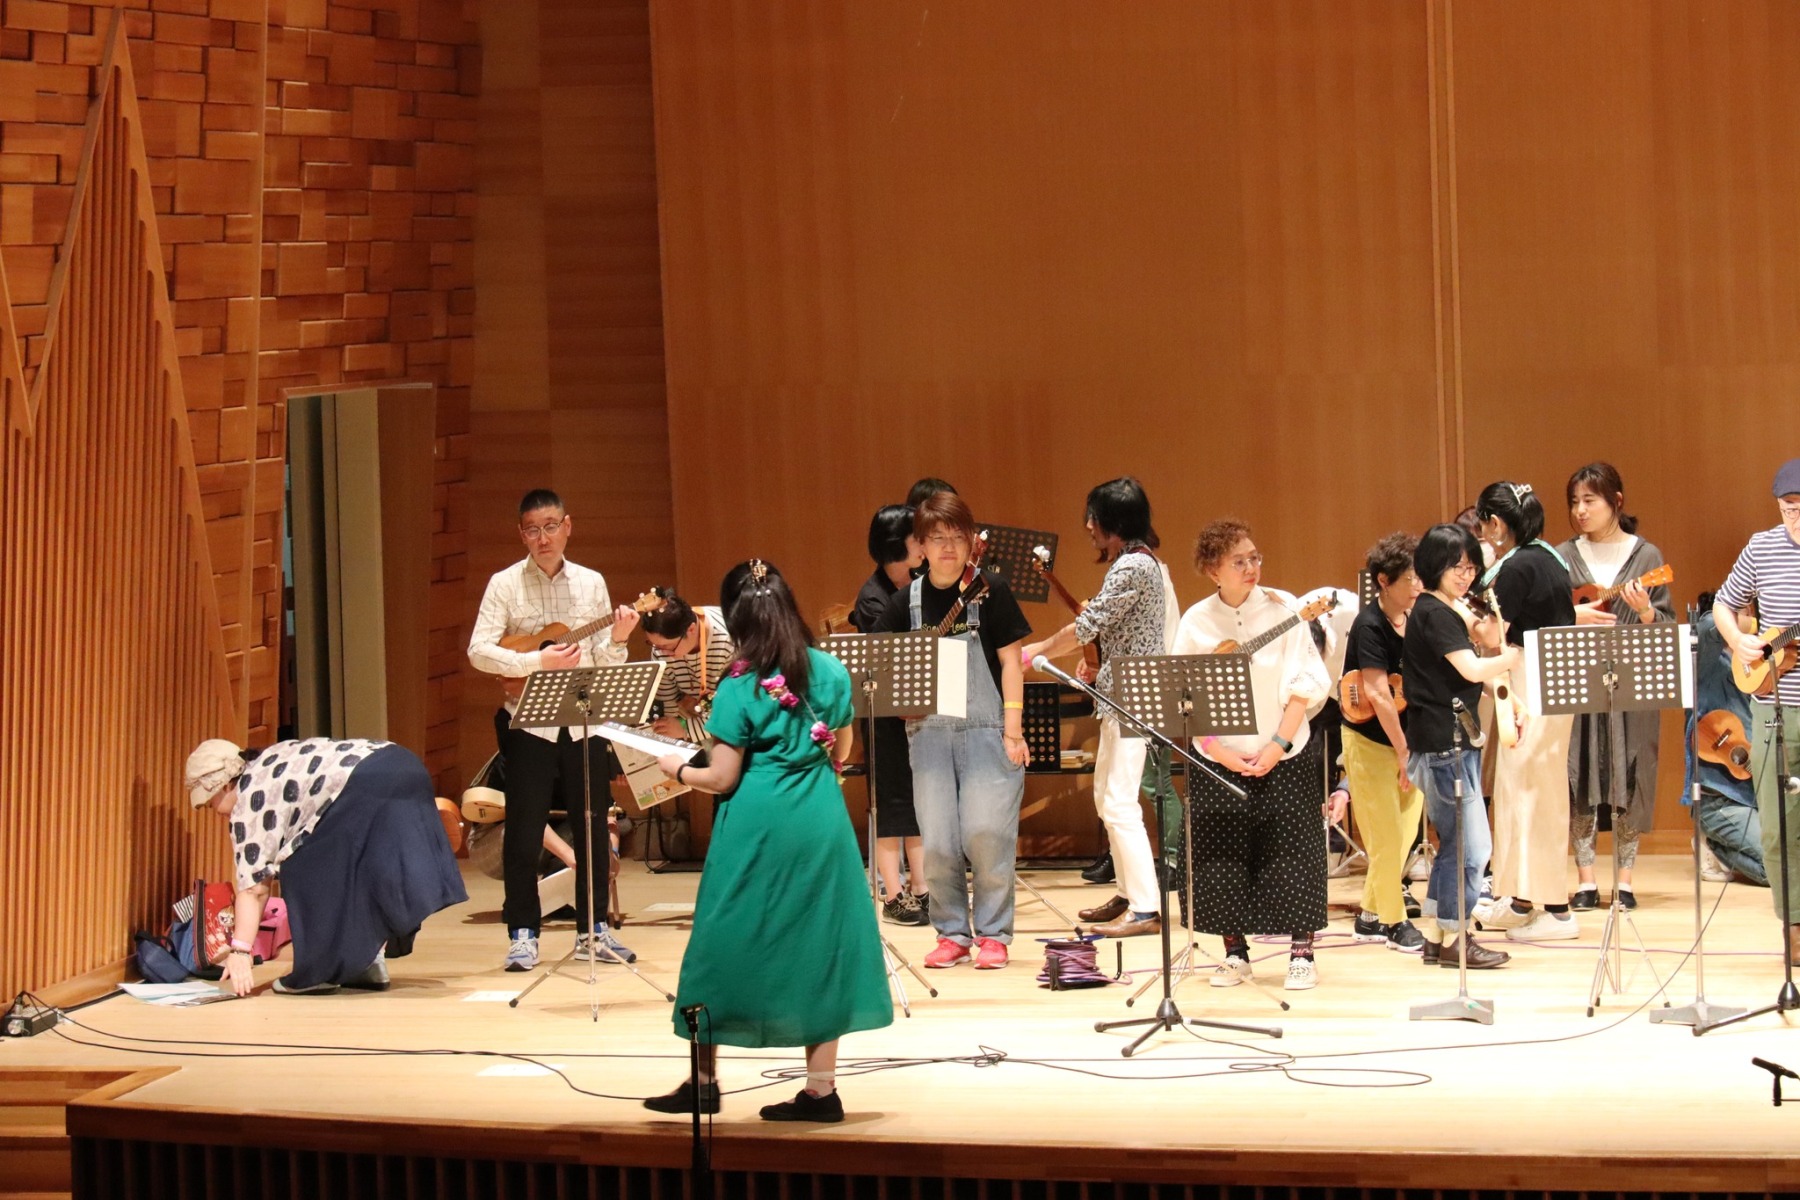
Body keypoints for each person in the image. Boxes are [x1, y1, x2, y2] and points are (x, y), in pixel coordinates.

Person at [642, 560, 891, 1122]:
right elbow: (841, 749)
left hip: (757, 828)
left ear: (736, 621)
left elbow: (721, 777)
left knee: (718, 944)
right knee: (820, 946)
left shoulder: (739, 685)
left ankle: (703, 1082)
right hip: (819, 822)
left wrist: (676, 768)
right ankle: (821, 1093)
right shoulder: (831, 670)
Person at [467, 488, 639, 972]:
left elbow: (603, 660)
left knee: (593, 823)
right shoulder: (504, 583)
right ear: (521, 534)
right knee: (524, 829)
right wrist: (533, 662)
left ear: (567, 527)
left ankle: (594, 930)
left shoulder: (591, 582)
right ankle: (523, 934)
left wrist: (619, 640)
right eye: (532, 529)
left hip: (584, 722)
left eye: (550, 527)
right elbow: (478, 650)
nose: (542, 538)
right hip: (527, 724)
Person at [873, 491, 1032, 968]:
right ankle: (952, 934)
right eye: (937, 538)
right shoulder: (904, 603)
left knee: (987, 835)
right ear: (920, 546)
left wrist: (1013, 730)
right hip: (929, 738)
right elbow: (880, 666)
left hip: (988, 730)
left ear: (971, 542)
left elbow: (1012, 662)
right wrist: (900, 703)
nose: (948, 547)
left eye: (957, 538)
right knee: (939, 842)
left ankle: (994, 934)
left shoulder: (991, 589)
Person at [1172, 520, 1332, 990]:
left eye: (1254, 557)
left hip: (1283, 751)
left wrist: (1277, 745)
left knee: (1294, 854)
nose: (1251, 567)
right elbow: (1184, 697)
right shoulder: (1196, 621)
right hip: (1219, 758)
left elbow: (1304, 683)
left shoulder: (1285, 609)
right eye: (1238, 561)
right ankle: (1235, 953)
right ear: (1213, 571)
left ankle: (1301, 954)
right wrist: (1218, 751)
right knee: (1221, 857)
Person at [183, 737, 467, 996]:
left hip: (365, 783)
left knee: (301, 866)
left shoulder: (249, 799)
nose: (215, 813)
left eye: (210, 804)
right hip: (402, 763)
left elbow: (254, 888)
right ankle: (367, 963)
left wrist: (240, 951)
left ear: (225, 785)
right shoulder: (269, 759)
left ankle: (317, 974)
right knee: (359, 869)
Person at [1020, 478, 1179, 939]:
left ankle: (1146, 910)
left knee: (1120, 801)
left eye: (1093, 517)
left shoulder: (1133, 566)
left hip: (1135, 698)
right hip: (1120, 696)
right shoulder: (1133, 562)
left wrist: (1038, 650)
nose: (1088, 526)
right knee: (1106, 797)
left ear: (1114, 520)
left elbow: (1086, 626)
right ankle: (1129, 895)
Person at [1558, 462, 1675, 911]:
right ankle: (1585, 880)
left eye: (1590, 500)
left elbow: (1665, 626)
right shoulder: (1563, 556)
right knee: (1578, 772)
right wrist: (1573, 616)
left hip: (1632, 684)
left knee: (1632, 771)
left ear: (1616, 502)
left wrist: (1645, 612)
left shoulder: (1646, 557)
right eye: (1575, 502)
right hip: (1578, 681)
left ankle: (1625, 881)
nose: (1580, 510)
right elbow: (1547, 618)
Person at [1404, 523, 1520, 969]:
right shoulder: (1434, 613)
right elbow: (1472, 669)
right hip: (1444, 745)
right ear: (1434, 566)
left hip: (1449, 742)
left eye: (1471, 568)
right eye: (1456, 567)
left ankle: (1440, 937)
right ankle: (1456, 938)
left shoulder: (1441, 608)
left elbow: (1465, 672)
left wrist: (1511, 698)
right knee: (1472, 849)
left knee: (1456, 844)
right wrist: (1512, 656)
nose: (1465, 575)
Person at [1470, 481, 1582, 942]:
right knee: (1530, 789)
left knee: (1532, 792)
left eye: (1483, 524)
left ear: (1496, 524)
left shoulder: (1516, 566)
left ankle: (1553, 909)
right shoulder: (1549, 556)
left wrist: (1456, 612)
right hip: (1553, 676)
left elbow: (1491, 634)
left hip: (1534, 681)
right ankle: (1523, 900)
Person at [1712, 458, 1800, 966]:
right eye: (1788, 509)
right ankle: (1794, 926)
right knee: (1777, 827)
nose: (1796, 518)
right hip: (1771, 706)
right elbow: (1724, 604)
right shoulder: (1762, 547)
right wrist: (1739, 641)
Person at [1341, 533, 1427, 952]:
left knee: (1405, 833)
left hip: (1410, 741)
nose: (1417, 585)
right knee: (1386, 837)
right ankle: (1395, 922)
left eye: (1419, 577)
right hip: (1372, 744)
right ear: (1383, 581)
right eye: (1409, 578)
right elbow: (1377, 693)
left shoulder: (1417, 617)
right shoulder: (1369, 625)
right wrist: (1403, 752)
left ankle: (1369, 915)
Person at [851, 504, 930, 926]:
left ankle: (923, 886)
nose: (925, 545)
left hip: (917, 712)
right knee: (890, 803)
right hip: (884, 714)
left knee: (918, 802)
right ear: (898, 544)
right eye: (919, 538)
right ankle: (893, 894)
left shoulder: (919, 580)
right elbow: (886, 655)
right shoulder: (873, 596)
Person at [1685, 603, 1766, 885]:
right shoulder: (1707, 667)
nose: (1752, 618)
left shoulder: (1765, 669)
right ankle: (1716, 849)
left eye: (1752, 613)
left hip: (1761, 797)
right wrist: (1735, 626)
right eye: (1745, 612)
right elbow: (1707, 628)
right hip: (1721, 802)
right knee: (1778, 870)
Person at [641, 587, 738, 739]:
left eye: (667, 647)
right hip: (700, 721)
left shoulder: (729, 640)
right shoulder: (661, 648)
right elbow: (667, 707)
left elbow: (736, 714)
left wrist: (686, 728)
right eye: (654, 645)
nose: (661, 653)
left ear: (691, 629)